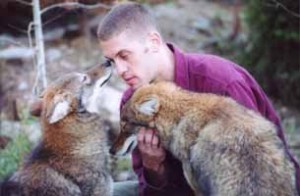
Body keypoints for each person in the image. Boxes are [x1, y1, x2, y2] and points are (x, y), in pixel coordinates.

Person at [97, 2, 300, 196]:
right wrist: (154, 167)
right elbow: (150, 191)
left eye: (124, 56)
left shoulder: (222, 82)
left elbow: (265, 173)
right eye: (112, 61)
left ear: (154, 42)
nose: (120, 70)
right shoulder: (134, 102)